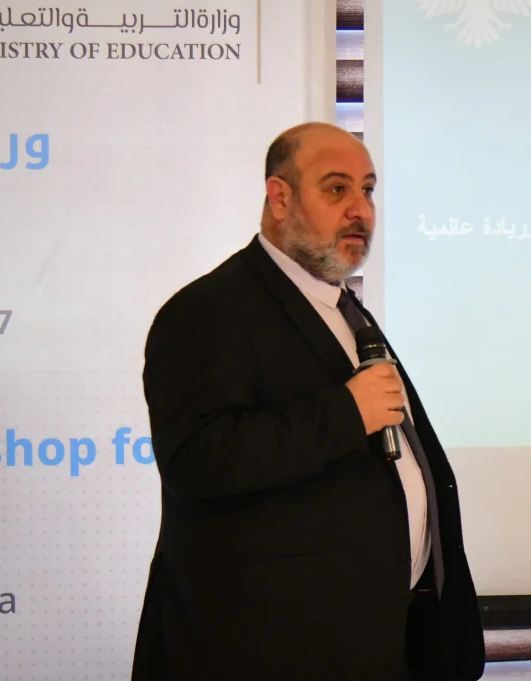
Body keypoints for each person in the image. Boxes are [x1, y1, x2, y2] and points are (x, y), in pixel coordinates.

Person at [130, 122, 485, 680]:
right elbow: (195, 460)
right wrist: (347, 413)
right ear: (280, 197)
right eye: (337, 188)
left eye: (367, 190)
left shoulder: (345, 310)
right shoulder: (207, 311)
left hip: (377, 643)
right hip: (267, 653)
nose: (360, 210)